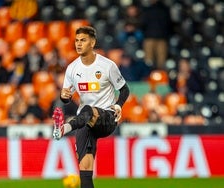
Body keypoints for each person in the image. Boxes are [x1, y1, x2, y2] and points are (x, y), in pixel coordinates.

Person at [52, 26, 130, 188]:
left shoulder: (107, 66)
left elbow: (124, 89)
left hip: (106, 118)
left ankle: (64, 128)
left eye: (83, 40)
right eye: (77, 40)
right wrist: (63, 96)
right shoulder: (72, 68)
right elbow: (66, 97)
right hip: (84, 122)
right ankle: (66, 128)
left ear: (92, 42)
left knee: (87, 110)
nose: (79, 44)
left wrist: (118, 105)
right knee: (85, 170)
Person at [141, 0, 172, 69]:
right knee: (159, 62)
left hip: (152, 38)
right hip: (160, 37)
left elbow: (143, 23)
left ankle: (154, 76)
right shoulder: (165, 9)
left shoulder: (148, 9)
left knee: (150, 62)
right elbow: (169, 24)